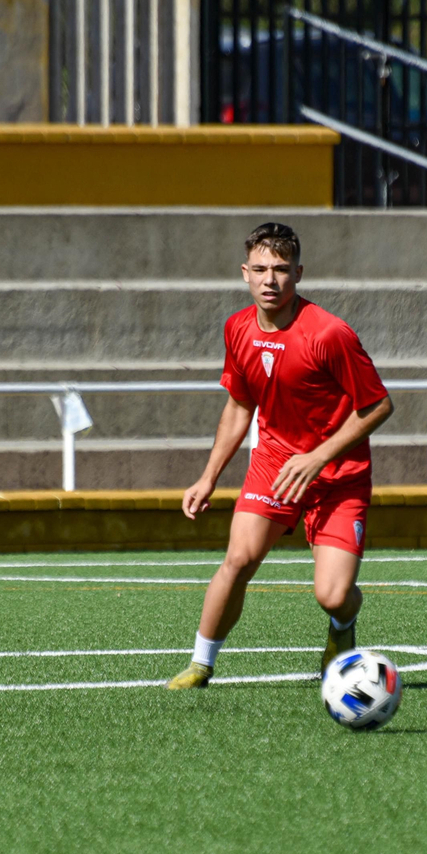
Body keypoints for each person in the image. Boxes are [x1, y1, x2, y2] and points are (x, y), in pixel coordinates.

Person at [167, 222, 394, 689]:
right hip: (273, 467)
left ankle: (342, 626)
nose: (271, 280)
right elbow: (239, 406)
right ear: (245, 273)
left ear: (299, 274)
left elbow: (378, 406)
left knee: (333, 596)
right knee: (238, 560)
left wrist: (318, 457)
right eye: (262, 269)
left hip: (338, 477)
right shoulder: (237, 328)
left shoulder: (329, 334)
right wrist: (208, 476)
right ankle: (200, 664)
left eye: (282, 270)